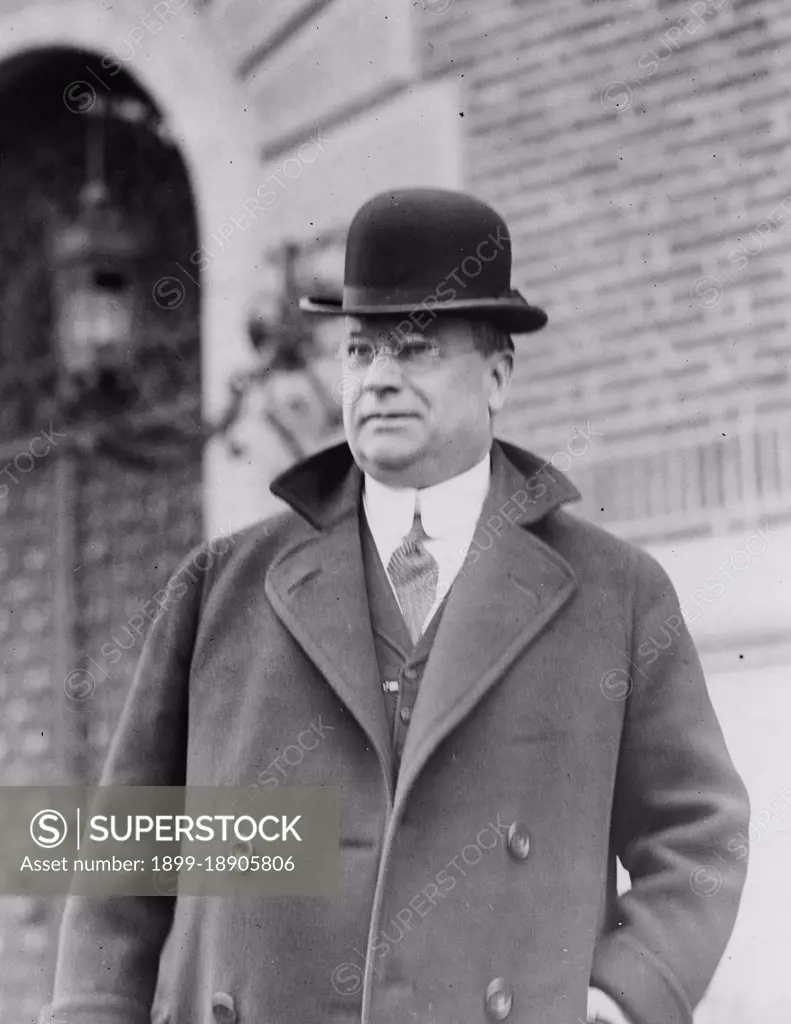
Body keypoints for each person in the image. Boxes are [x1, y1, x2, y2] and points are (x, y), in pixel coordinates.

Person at [48, 188, 749, 1024]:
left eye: (414, 349)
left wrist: (625, 995)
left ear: (496, 377)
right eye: (358, 349)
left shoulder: (616, 595)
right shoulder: (221, 584)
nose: (378, 378)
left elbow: (700, 834)